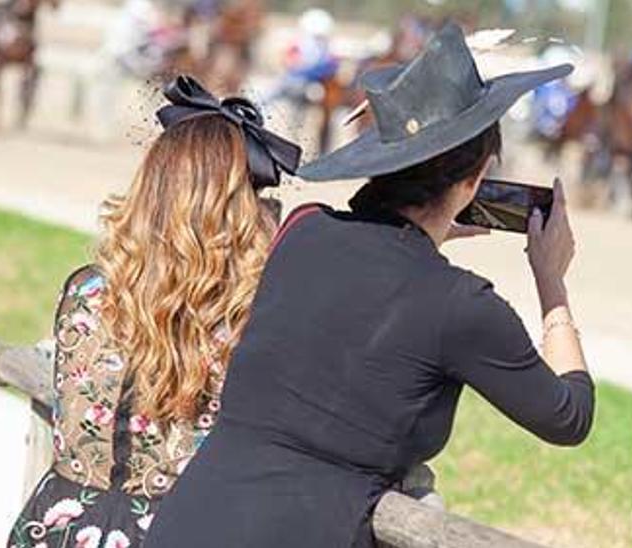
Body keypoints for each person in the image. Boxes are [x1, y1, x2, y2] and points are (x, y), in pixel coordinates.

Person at [144, 24, 595, 547]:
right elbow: (568, 416)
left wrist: (433, 235)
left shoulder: (304, 230)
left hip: (192, 519)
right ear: (475, 179)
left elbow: (378, 287)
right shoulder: (462, 304)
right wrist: (551, 281)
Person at [6, 75, 301, 548]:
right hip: (178, 532)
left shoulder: (87, 288)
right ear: (237, 209)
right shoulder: (252, 311)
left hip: (58, 528)